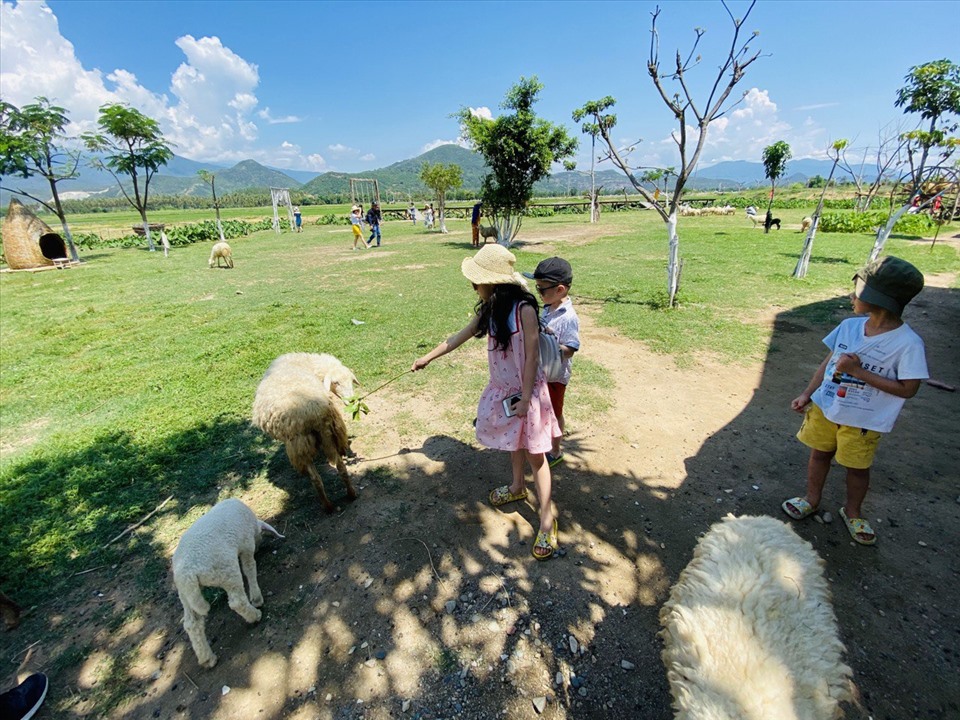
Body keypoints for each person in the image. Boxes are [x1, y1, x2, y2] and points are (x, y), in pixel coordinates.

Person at [412, 245, 561, 560]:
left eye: (476, 281)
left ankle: (547, 521)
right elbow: (457, 337)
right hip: (506, 393)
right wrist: (427, 358)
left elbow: (532, 355)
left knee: (537, 456)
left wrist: (525, 399)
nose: (473, 286)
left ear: (494, 283)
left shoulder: (525, 310)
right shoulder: (488, 311)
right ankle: (517, 486)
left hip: (527, 394)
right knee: (513, 443)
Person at [781, 256, 927, 546]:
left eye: (858, 293)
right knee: (818, 454)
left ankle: (853, 511)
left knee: (857, 468)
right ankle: (811, 499)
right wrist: (807, 394)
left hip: (863, 421)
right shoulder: (849, 327)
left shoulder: (907, 344)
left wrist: (857, 372)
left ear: (879, 300)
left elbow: (908, 388)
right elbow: (828, 363)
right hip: (826, 407)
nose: (851, 297)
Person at [523, 257, 580, 467]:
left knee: (555, 413)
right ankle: (540, 441)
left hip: (556, 377)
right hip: (541, 373)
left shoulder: (569, 317)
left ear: (560, 289)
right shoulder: (547, 307)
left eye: (542, 290)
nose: (539, 294)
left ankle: (555, 451)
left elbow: (572, 348)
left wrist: (550, 345)